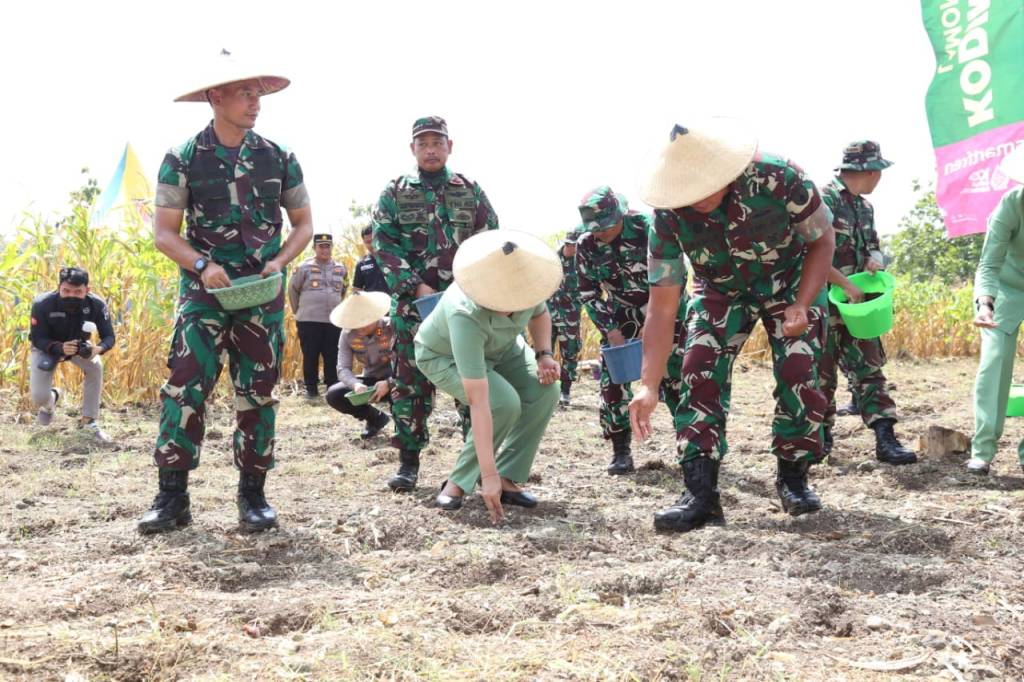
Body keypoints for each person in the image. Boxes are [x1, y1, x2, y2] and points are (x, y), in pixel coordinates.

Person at [631, 118, 835, 532]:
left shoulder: (780, 177)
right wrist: (648, 384)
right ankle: (701, 495)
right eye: (689, 192)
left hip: (790, 278)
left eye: (706, 186)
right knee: (697, 368)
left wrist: (800, 305)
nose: (698, 199)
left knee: (799, 369)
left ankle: (793, 478)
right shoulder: (668, 216)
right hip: (719, 287)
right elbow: (662, 307)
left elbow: (822, 240)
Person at [139, 56, 314, 534]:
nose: (256, 103)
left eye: (259, 94)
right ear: (216, 97)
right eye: (246, 94)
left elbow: (303, 225)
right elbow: (164, 233)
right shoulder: (183, 157)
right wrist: (202, 264)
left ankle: (252, 497)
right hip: (204, 294)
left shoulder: (278, 156)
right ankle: (172, 498)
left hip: (262, 294)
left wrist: (279, 262)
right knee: (185, 384)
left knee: (258, 393)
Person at [372, 116, 499, 492]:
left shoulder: (470, 190)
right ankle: (408, 462)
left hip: (464, 307)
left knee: (471, 384)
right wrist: (417, 286)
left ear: (449, 146)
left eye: (437, 142)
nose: (430, 149)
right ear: (413, 149)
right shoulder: (394, 192)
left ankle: (470, 463)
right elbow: (384, 244)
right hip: (414, 308)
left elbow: (488, 239)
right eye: (423, 143)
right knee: (408, 385)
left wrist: (469, 286)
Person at [414, 230, 562, 522]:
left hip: (502, 347)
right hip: (444, 355)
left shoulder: (525, 284)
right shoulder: (464, 313)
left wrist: (544, 353)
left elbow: (539, 314)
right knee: (502, 402)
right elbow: (479, 401)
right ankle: (458, 483)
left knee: (546, 390)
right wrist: (487, 473)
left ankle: (508, 477)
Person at [576, 187, 688, 475]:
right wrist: (611, 331)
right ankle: (620, 450)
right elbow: (588, 295)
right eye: (594, 228)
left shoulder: (649, 229)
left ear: (620, 215)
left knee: (675, 376)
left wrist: (655, 320)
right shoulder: (586, 245)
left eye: (605, 226)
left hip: (665, 308)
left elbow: (677, 276)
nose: (600, 233)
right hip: (620, 314)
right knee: (613, 382)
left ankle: (689, 447)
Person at [820, 141, 916, 464]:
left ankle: (885, 440)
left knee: (870, 369)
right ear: (869, 171)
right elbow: (810, 254)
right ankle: (820, 442)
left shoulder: (864, 207)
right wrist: (845, 284)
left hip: (860, 306)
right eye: (879, 173)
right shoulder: (824, 201)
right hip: (826, 303)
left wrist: (873, 260)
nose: (880, 179)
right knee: (822, 376)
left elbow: (871, 244)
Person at [968, 144, 1024, 475]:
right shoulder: (1011, 204)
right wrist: (985, 303)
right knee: (994, 362)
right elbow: (988, 264)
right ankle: (983, 450)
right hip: (1006, 289)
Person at [29, 266, 115, 443]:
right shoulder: (42, 304)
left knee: (96, 366)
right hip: (48, 347)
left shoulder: (97, 304)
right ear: (58, 287)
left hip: (78, 345)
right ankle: (52, 399)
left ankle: (89, 423)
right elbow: (38, 338)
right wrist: (59, 347)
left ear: (87, 290)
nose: (71, 295)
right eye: (66, 291)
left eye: (78, 292)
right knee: (39, 397)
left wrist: (97, 349)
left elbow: (109, 337)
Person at [324, 291, 394, 439]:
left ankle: (403, 426)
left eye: (364, 321)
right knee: (334, 394)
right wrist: (355, 384)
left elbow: (408, 362)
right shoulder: (347, 334)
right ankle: (374, 418)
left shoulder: (391, 327)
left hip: (396, 378)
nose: (359, 327)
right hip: (371, 380)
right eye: (355, 322)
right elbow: (343, 368)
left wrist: (389, 382)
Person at [288, 232, 347, 399]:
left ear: (332, 247)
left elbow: (343, 291)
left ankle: (332, 387)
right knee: (310, 354)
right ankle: (312, 389)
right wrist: (298, 311)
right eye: (321, 246)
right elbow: (293, 290)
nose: (325, 249)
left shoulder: (341, 268)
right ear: (314, 248)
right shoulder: (303, 267)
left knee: (332, 353)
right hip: (309, 320)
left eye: (328, 246)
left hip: (333, 320)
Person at [547, 226, 583, 407]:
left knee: (570, 352)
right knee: (544, 350)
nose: (571, 248)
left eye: (575, 245)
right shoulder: (552, 260)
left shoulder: (581, 263)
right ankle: (543, 391)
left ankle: (565, 391)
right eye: (569, 245)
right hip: (548, 314)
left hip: (570, 316)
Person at [352, 224, 389, 294]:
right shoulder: (361, 265)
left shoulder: (395, 259)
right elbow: (356, 289)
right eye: (368, 242)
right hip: (372, 304)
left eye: (373, 240)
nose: (372, 245)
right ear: (364, 242)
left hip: (393, 303)